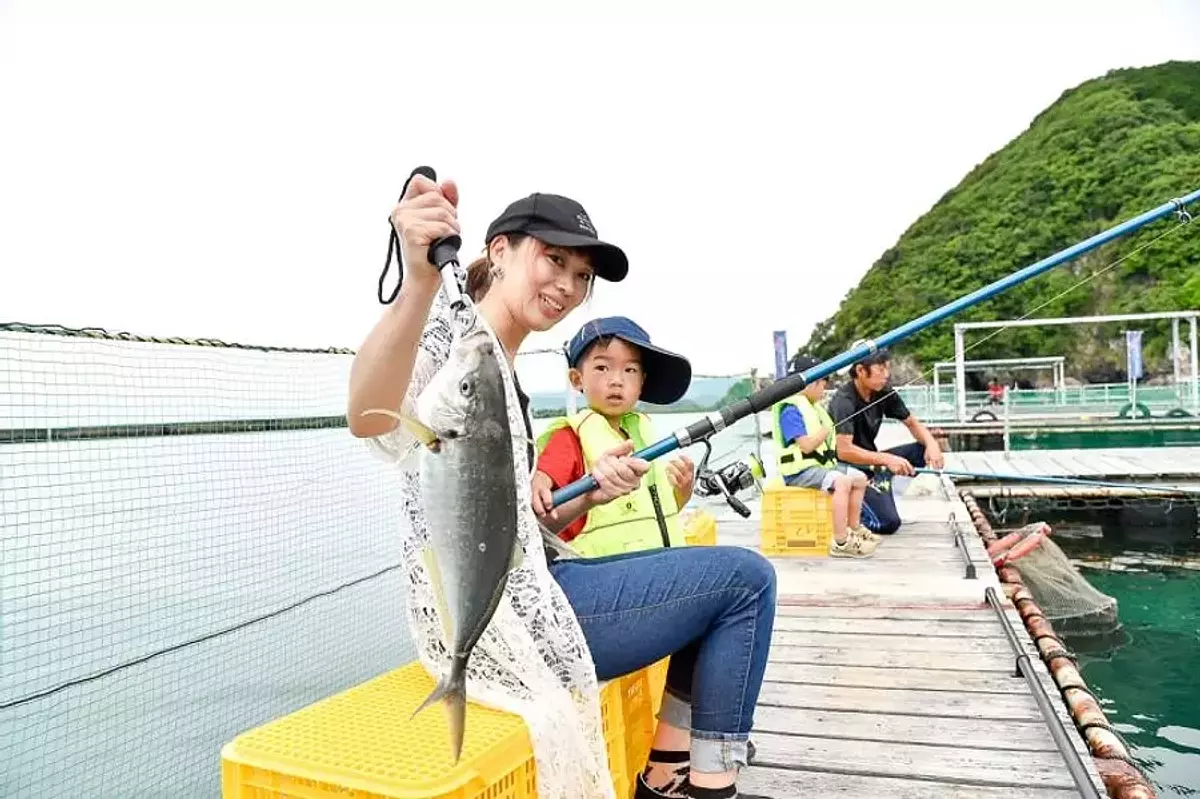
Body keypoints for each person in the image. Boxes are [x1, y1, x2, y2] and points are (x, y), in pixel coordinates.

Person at [348, 174, 775, 799]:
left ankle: (666, 776)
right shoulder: (458, 341)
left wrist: (587, 497)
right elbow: (367, 418)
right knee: (746, 582)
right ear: (499, 252)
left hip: (534, 589)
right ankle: (710, 789)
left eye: (581, 275)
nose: (568, 286)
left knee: (709, 573)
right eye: (553, 259)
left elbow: (512, 525)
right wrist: (416, 280)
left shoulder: (505, 368)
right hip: (509, 623)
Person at [531, 316, 696, 555]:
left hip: (663, 573)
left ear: (642, 382)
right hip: (608, 579)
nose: (616, 381)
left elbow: (655, 512)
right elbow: (540, 489)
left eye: (630, 370)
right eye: (601, 368)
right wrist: (538, 480)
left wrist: (682, 492)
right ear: (577, 379)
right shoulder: (570, 437)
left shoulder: (642, 432)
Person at [769, 354, 878, 558]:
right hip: (798, 473)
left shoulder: (813, 408)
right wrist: (825, 431)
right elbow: (806, 446)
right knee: (843, 482)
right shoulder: (791, 410)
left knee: (860, 479)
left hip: (818, 468)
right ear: (811, 383)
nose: (825, 389)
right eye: (823, 384)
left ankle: (854, 528)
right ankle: (840, 541)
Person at [828, 348, 944, 535]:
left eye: (887, 369)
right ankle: (854, 509)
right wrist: (887, 460)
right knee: (888, 523)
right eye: (880, 369)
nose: (886, 375)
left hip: (873, 465)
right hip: (848, 470)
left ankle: (881, 485)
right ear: (860, 371)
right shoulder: (844, 401)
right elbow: (844, 451)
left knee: (921, 448)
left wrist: (932, 445)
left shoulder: (883, 392)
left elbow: (912, 423)